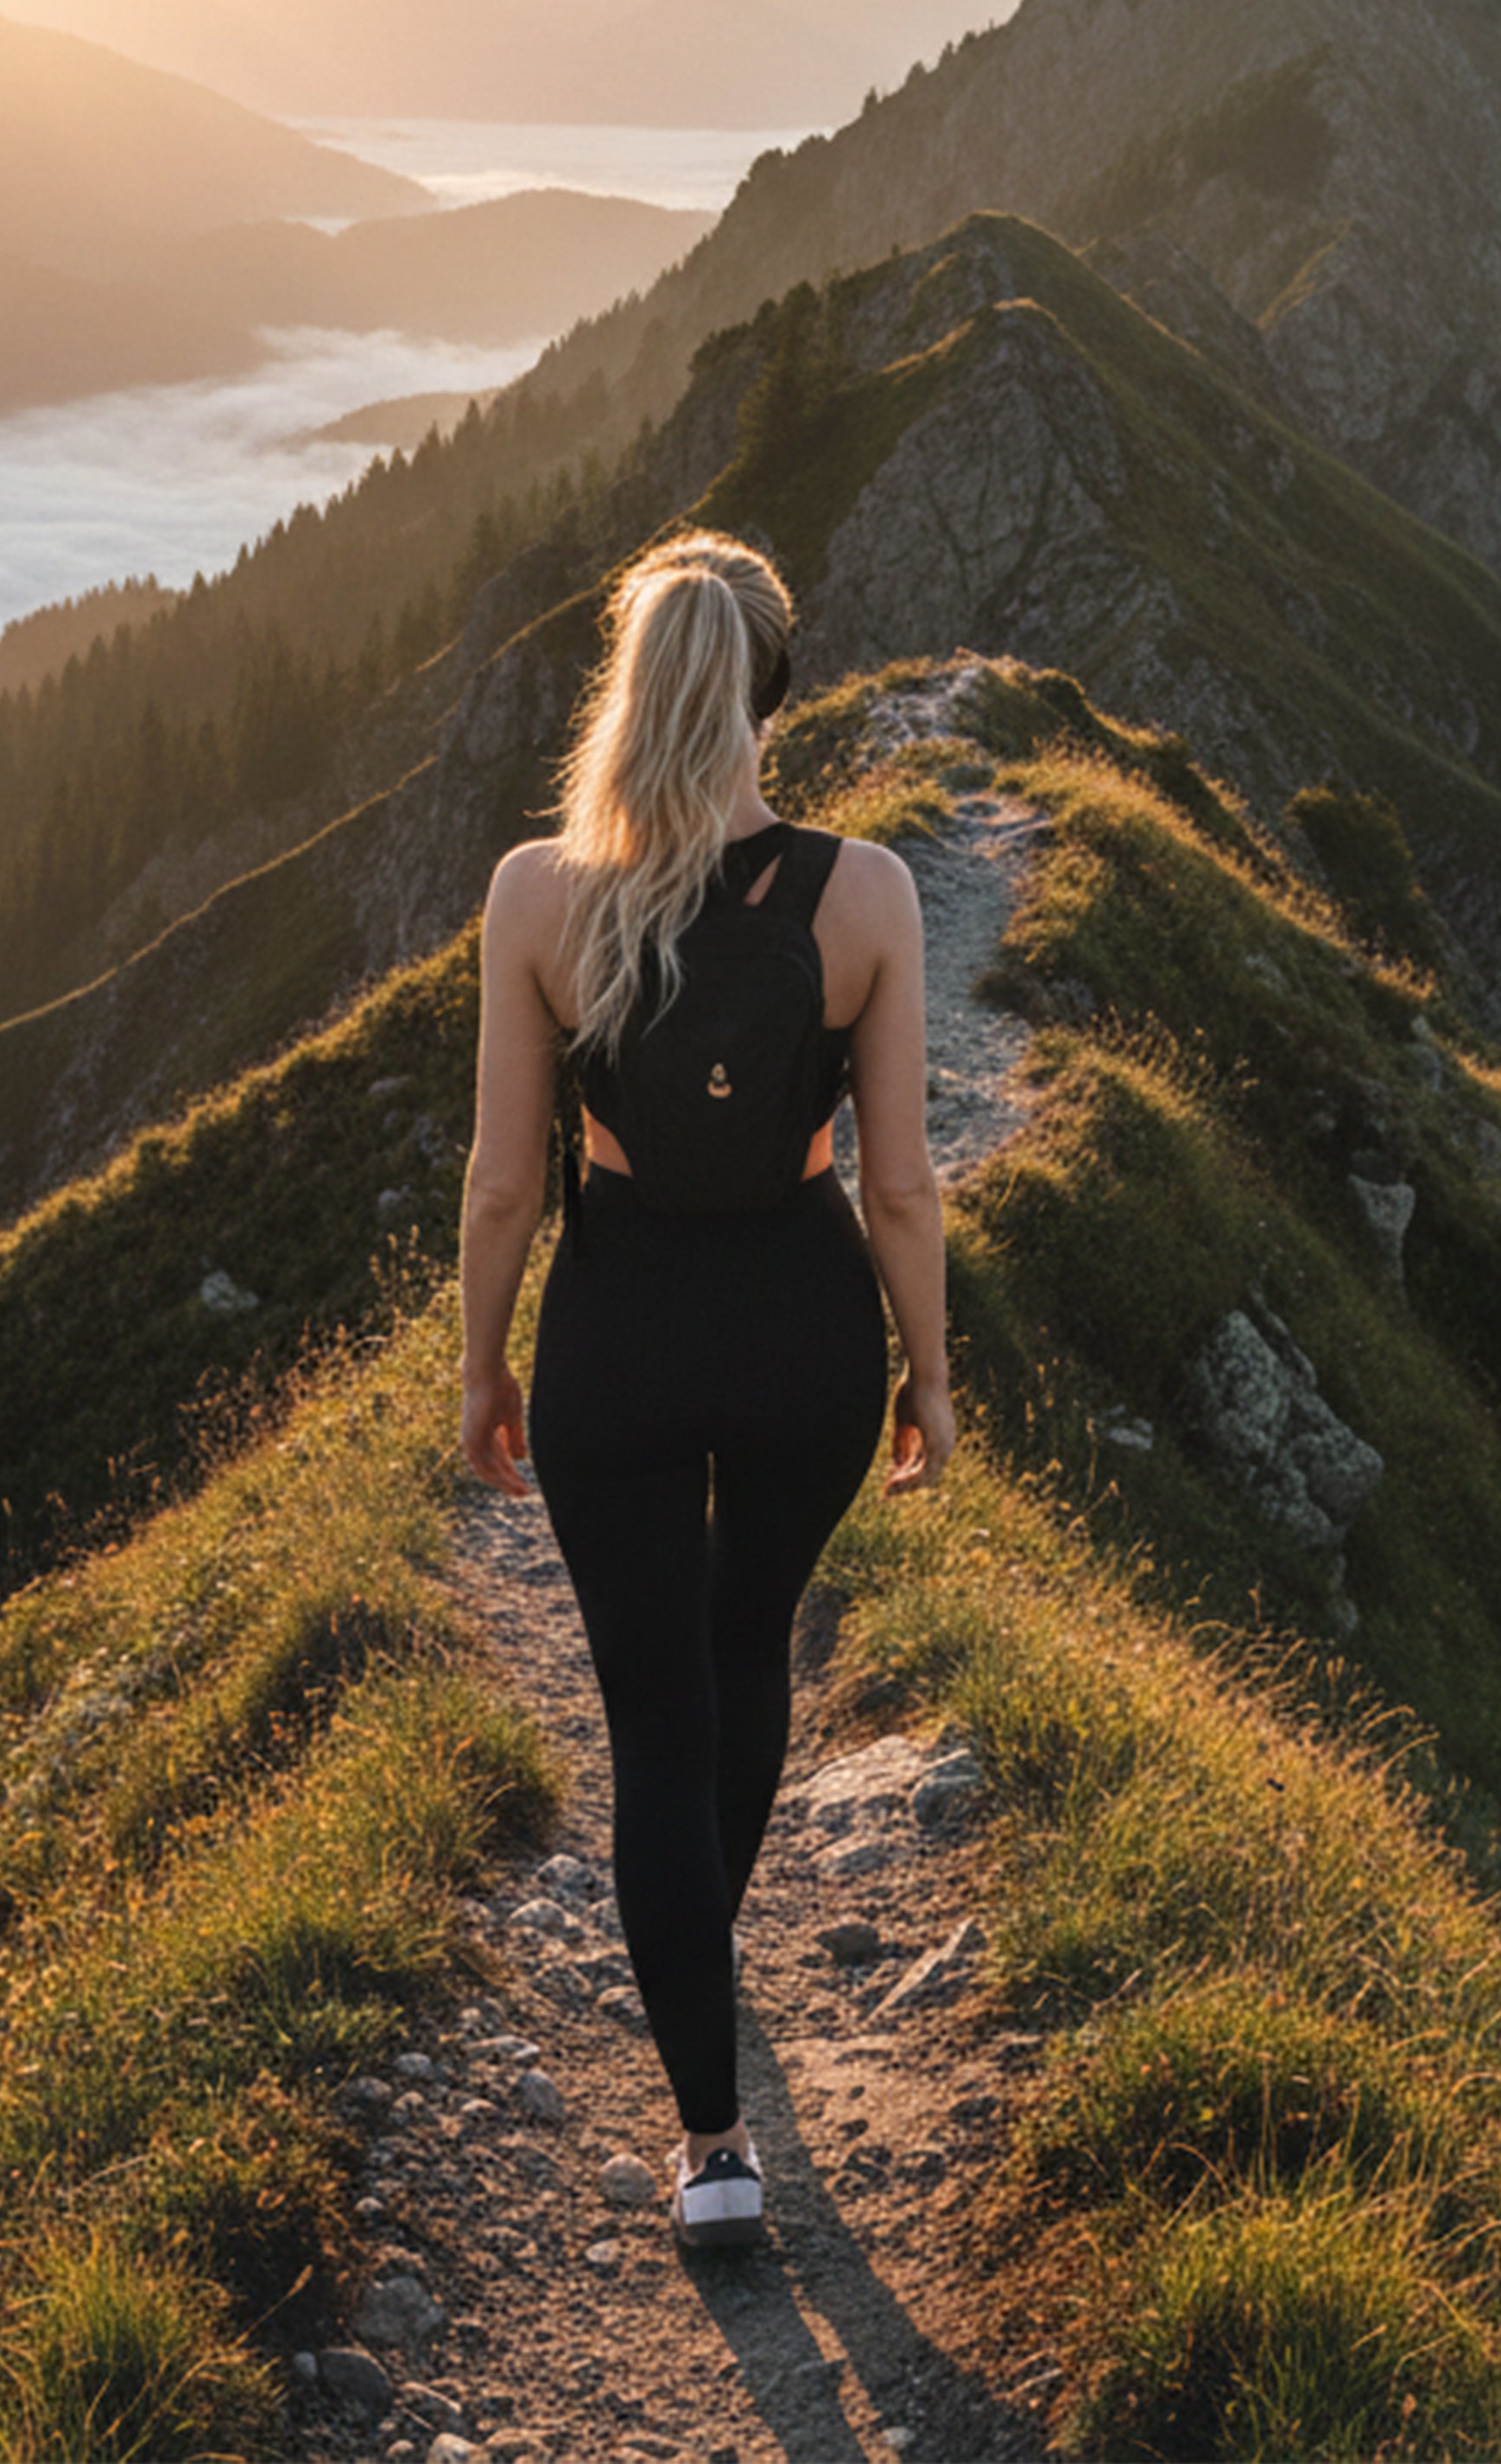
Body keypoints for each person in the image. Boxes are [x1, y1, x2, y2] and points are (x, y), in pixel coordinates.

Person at [459, 529, 955, 2254]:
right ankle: (700, 1939)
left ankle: (713, 2141)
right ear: (768, 695)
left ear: (625, 693)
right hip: (807, 1332)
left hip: (620, 1336)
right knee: (746, 1653)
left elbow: (503, 1183)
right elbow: (902, 1186)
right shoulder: (865, 896)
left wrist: (482, 1362)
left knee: (652, 1724)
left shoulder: (539, 895)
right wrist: (932, 1376)